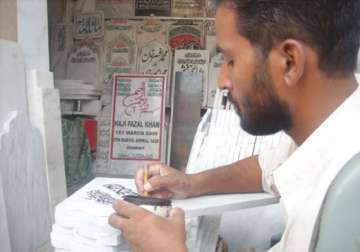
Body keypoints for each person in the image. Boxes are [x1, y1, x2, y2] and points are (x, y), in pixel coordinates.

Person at [109, 0, 360, 251]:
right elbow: (267, 169)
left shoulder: (345, 198)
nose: (222, 82)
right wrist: (191, 184)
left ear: (289, 62)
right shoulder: (338, 121)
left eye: (231, 61)